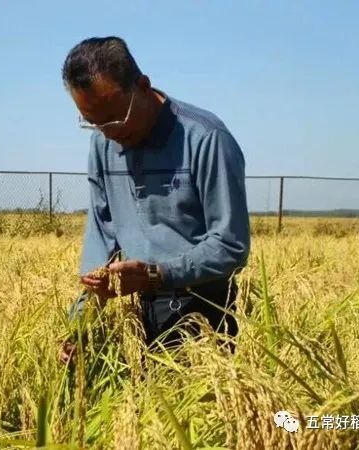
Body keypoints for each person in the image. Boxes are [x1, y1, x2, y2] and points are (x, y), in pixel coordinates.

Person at [59, 36, 251, 364]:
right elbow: (102, 235)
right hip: (137, 312)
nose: (107, 133)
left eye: (114, 119)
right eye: (93, 123)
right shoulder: (103, 146)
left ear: (143, 87)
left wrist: (157, 274)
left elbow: (230, 245)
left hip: (202, 312)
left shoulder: (206, 139)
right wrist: (82, 321)